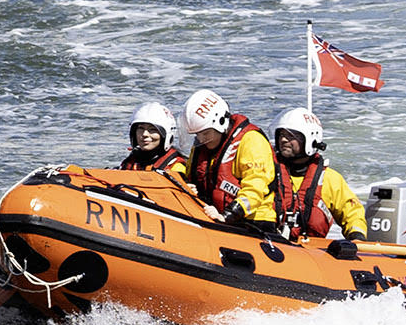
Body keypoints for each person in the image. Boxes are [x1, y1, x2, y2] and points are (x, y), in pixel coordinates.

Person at [180, 88, 276, 228]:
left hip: (252, 221)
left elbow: (255, 188)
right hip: (213, 212)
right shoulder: (202, 144)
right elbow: (191, 175)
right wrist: (188, 188)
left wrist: (227, 216)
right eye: (197, 135)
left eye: (205, 133)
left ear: (220, 123)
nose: (201, 139)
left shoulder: (251, 141)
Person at [270, 108, 367, 244]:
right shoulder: (267, 170)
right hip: (269, 244)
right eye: (281, 135)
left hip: (311, 252)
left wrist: (357, 237)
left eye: (291, 136)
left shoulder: (329, 179)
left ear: (310, 139)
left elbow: (353, 213)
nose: (284, 140)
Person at [122, 100, 186, 177]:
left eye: (152, 129)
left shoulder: (176, 167)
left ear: (165, 135)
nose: (144, 134)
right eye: (141, 128)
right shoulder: (130, 162)